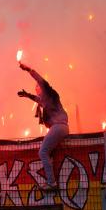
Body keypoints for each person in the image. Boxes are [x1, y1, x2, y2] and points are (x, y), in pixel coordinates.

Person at [18, 62, 69, 191]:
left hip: (58, 127)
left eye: (38, 88)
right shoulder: (47, 100)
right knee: (48, 152)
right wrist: (27, 95)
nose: (37, 90)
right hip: (60, 127)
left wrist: (29, 69)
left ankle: (51, 183)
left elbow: (41, 81)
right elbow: (38, 100)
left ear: (43, 89)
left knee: (43, 152)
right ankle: (51, 179)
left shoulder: (50, 93)